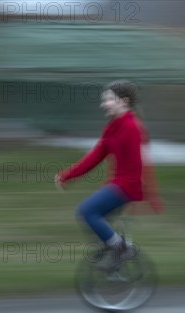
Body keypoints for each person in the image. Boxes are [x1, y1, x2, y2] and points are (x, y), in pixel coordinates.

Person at [55, 80, 164, 271]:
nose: (103, 104)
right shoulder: (113, 127)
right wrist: (67, 176)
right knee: (97, 222)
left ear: (123, 101)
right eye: (103, 100)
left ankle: (120, 248)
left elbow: (143, 163)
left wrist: (149, 194)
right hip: (119, 184)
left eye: (108, 100)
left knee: (87, 211)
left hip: (127, 186)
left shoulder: (132, 127)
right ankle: (115, 253)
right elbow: (94, 157)